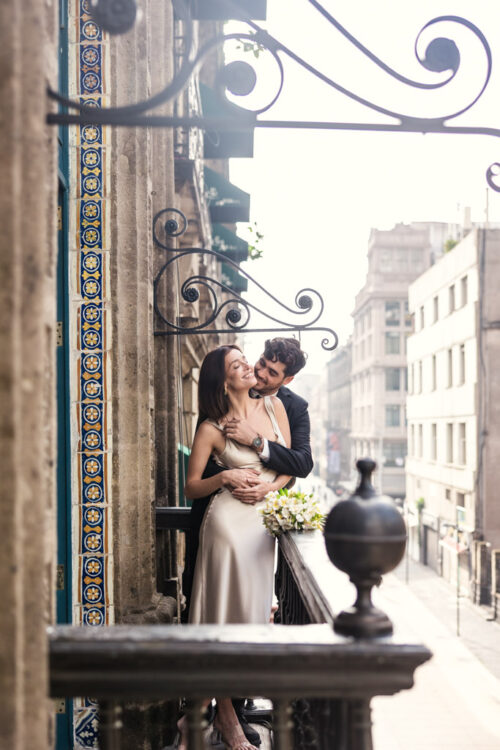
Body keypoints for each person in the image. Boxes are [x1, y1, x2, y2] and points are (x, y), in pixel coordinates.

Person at [183, 337, 312, 745]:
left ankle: (200, 719)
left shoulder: (277, 408)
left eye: (257, 367)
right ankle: (225, 717)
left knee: (252, 619)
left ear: (285, 378)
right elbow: (191, 486)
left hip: (260, 531)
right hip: (225, 528)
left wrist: (268, 488)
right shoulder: (211, 426)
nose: (252, 370)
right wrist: (224, 477)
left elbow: (294, 463)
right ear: (224, 381)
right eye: (243, 364)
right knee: (219, 619)